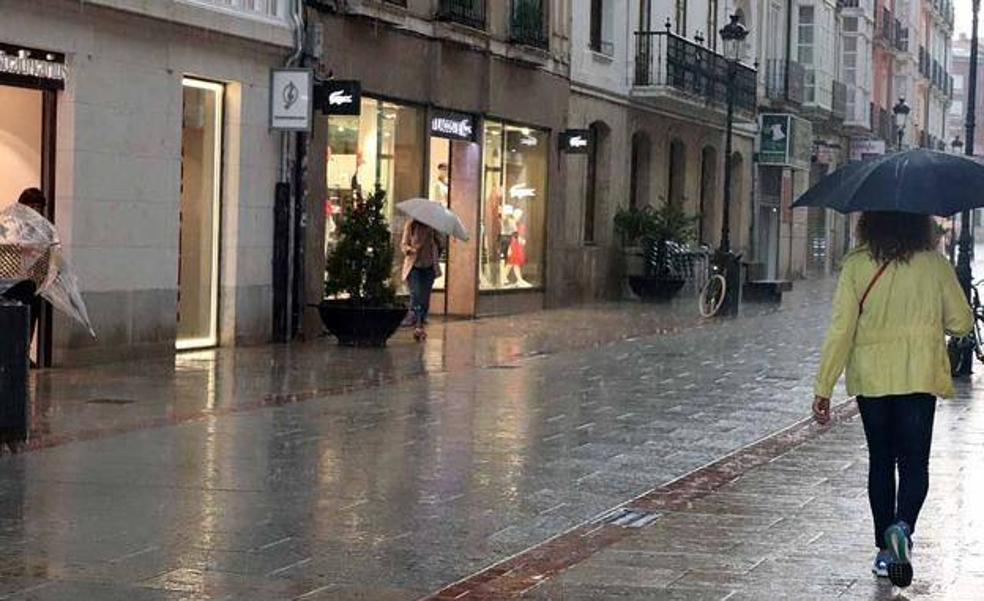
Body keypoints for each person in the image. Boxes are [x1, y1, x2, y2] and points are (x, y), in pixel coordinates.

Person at [811, 211, 972, 589]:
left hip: (873, 379)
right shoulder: (934, 264)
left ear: (869, 224)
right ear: (919, 224)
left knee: (881, 462)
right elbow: (962, 322)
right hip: (919, 376)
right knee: (914, 462)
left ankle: (885, 551)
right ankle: (903, 527)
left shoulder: (856, 265)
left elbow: (841, 329)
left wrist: (824, 387)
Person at [1, 188, 49, 365]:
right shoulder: (8, 224)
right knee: (12, 321)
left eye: (38, 207)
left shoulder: (42, 229)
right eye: (32, 206)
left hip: (32, 283)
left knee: (28, 321)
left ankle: (22, 354)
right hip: (11, 283)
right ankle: (11, 356)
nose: (35, 211)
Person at [401, 219, 443, 341]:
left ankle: (420, 321)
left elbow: (442, 244)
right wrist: (410, 249)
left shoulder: (433, 226)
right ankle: (418, 325)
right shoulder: (411, 225)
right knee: (416, 296)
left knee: (424, 299)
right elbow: (404, 245)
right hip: (414, 267)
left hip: (429, 267)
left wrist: (436, 238)